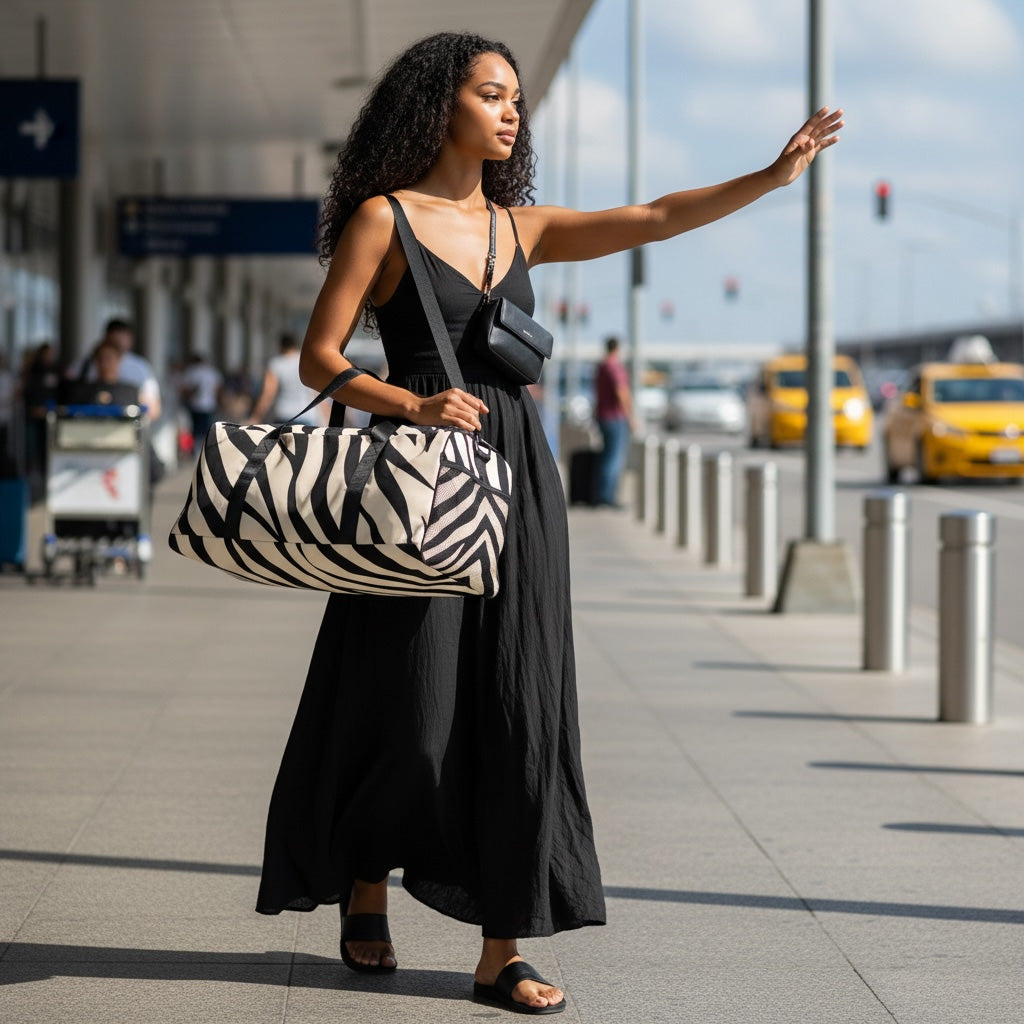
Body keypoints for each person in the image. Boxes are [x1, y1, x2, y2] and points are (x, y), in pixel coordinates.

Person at [255, 31, 842, 1016]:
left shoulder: (518, 228)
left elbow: (652, 216)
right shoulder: (381, 220)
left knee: (519, 705)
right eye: (492, 94)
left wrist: (772, 176)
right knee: (413, 707)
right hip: (421, 478)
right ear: (440, 105)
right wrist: (413, 404)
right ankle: (365, 875)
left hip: (519, 480)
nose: (511, 110)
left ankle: (501, 946)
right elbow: (320, 359)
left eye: (517, 98)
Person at [594, 336, 635, 507]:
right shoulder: (614, 367)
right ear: (617, 349)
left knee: (607, 456)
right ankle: (607, 497)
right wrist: (631, 417)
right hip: (616, 418)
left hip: (603, 416)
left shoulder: (601, 367)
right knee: (614, 458)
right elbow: (621, 392)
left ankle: (602, 494)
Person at [249, 332, 324, 425]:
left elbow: (268, 393)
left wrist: (256, 417)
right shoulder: (306, 362)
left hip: (284, 415)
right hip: (307, 415)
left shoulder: (276, 364)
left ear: (281, 346)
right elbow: (316, 392)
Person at [179, 352, 224, 445]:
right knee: (207, 430)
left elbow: (186, 389)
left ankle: (195, 448)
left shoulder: (192, 371)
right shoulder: (213, 372)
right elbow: (218, 390)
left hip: (195, 405)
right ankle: (205, 447)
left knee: (195, 430)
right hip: (210, 405)